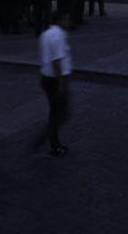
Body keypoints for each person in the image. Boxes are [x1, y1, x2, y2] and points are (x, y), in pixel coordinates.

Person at [39, 11, 72, 157]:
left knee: (57, 111)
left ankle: (51, 138)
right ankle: (52, 142)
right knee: (60, 113)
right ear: (60, 20)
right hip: (55, 79)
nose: (68, 22)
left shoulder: (45, 34)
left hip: (45, 77)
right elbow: (57, 61)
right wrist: (60, 82)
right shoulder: (58, 36)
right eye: (66, 19)